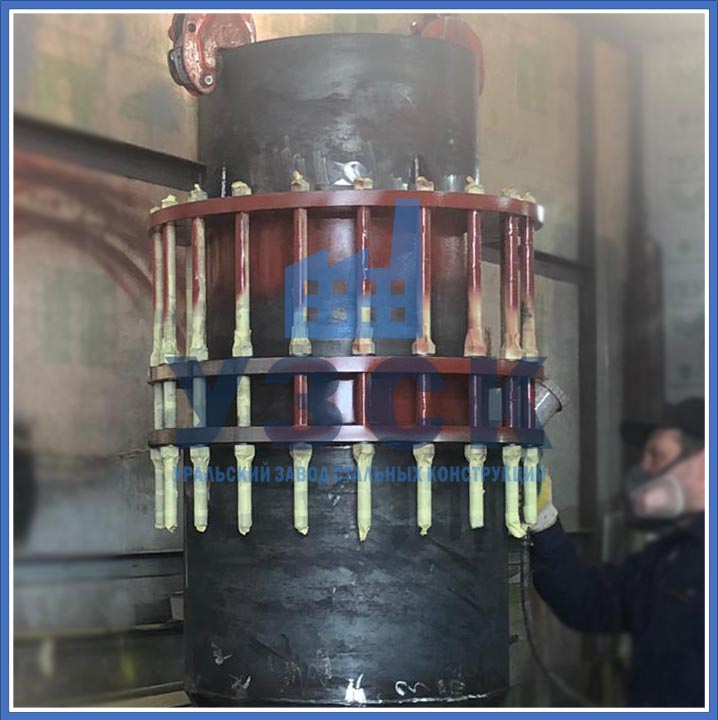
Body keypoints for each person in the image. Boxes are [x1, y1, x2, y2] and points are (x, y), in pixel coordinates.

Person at [529, 397, 705, 708]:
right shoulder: (667, 556)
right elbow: (588, 600)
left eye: (656, 455)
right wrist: (544, 521)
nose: (644, 468)